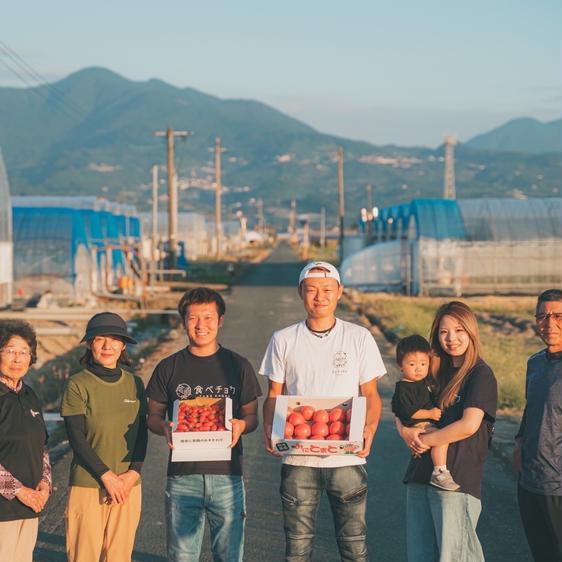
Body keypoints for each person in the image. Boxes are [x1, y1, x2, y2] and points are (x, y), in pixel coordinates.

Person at [261, 261, 386, 562]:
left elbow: (371, 394)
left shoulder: (358, 337)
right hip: (298, 457)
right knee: (297, 547)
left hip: (345, 457)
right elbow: (274, 395)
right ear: (300, 292)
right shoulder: (283, 339)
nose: (320, 296)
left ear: (340, 292)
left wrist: (368, 428)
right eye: (312, 289)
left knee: (354, 545)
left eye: (328, 289)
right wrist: (271, 428)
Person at [146, 287, 261, 562]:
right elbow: (152, 417)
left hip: (228, 476)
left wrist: (241, 426)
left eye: (208, 317)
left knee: (229, 555)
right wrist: (164, 427)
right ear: (183, 321)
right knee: (182, 556)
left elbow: (253, 417)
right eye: (193, 318)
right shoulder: (168, 368)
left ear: (220, 320)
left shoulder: (238, 365)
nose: (201, 325)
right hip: (182, 477)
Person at [396, 301, 497, 562]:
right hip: (420, 475)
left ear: (472, 331)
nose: (451, 338)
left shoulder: (480, 375)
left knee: (455, 557)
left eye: (459, 330)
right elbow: (402, 405)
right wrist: (405, 432)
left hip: (455, 481)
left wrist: (425, 439)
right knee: (421, 555)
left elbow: (468, 425)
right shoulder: (432, 373)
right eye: (444, 332)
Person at [61, 312, 147, 562]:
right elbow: (76, 436)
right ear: (90, 344)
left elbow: (141, 434)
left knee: (120, 556)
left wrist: (133, 473)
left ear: (123, 345)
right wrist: (106, 476)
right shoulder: (77, 384)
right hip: (89, 483)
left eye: (114, 339)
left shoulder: (135, 384)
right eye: (100, 339)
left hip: (128, 485)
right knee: (83, 555)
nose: (107, 346)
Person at [514, 288, 562, 561]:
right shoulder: (535, 363)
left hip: (559, 486)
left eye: (558, 316)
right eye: (542, 316)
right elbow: (532, 408)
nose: (549, 324)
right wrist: (519, 442)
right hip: (530, 481)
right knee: (541, 554)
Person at [0, 320, 51, 562]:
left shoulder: (30, 395)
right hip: (4, 508)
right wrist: (20, 491)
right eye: (10, 351)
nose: (17, 359)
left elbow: (42, 445)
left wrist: (45, 483)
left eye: (24, 352)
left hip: (30, 507)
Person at [391, 334, 459, 491]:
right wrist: (429, 414)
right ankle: (440, 471)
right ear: (400, 365)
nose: (418, 369)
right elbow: (407, 412)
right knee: (442, 438)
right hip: (419, 423)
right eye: (412, 364)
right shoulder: (403, 387)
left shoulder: (423, 382)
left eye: (423, 364)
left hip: (423, 422)